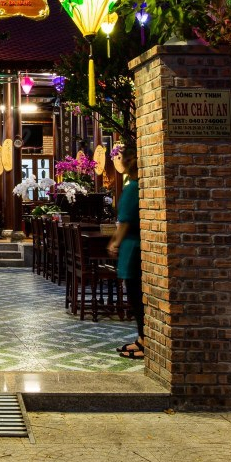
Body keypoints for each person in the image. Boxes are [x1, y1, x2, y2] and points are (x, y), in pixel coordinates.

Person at [106, 144, 145, 360]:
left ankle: (145, 339)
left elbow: (125, 221)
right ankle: (142, 338)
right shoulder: (139, 186)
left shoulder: (132, 188)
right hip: (136, 244)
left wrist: (115, 242)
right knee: (136, 295)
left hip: (132, 246)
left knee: (136, 295)